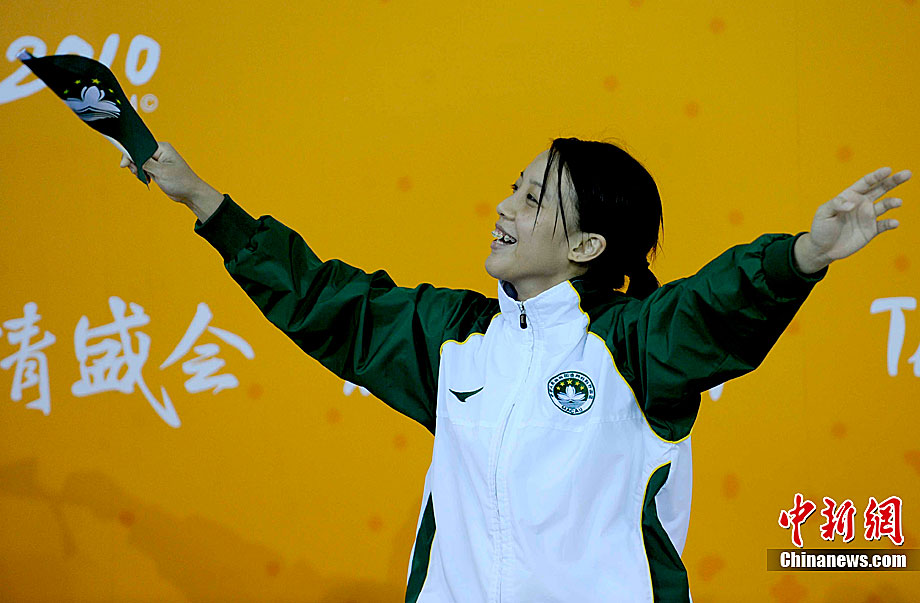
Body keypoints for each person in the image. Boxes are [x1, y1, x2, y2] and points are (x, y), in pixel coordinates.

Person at [121, 139, 909, 602]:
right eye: (514, 188)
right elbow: (328, 302)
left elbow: (715, 306)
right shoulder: (456, 340)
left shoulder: (634, 345)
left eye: (534, 198)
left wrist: (804, 254)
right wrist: (202, 200)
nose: (505, 207)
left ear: (587, 246)